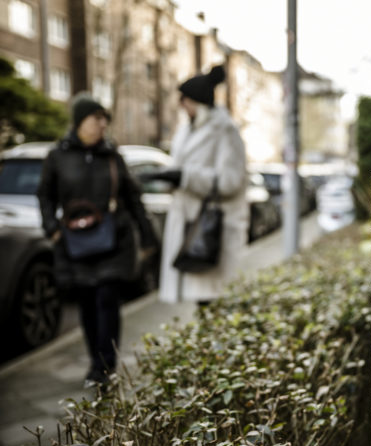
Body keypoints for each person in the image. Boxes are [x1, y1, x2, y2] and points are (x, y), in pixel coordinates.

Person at [37, 93, 158, 387]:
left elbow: (132, 197)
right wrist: (52, 228)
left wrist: (147, 233)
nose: (102, 124)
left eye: (105, 119)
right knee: (88, 303)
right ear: (80, 121)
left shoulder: (112, 155)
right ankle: (95, 363)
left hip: (111, 240)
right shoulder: (58, 156)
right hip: (75, 242)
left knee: (107, 299)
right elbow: (45, 195)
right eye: (97, 118)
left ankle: (106, 366)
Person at [152, 65, 249, 306]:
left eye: (184, 100)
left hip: (211, 228)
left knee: (214, 301)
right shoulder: (186, 131)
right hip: (189, 224)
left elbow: (230, 181)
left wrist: (186, 177)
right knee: (202, 301)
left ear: (197, 102)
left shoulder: (225, 131)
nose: (181, 105)